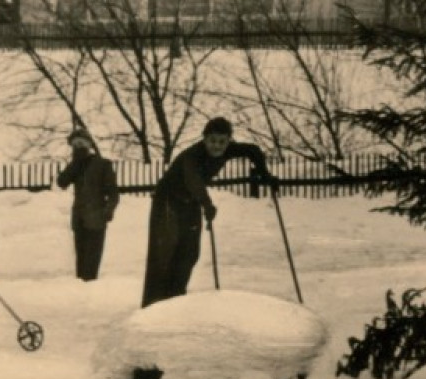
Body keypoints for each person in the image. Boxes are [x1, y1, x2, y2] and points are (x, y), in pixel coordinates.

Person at [141, 117, 275, 308]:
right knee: (165, 252)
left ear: (229, 140)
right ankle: (153, 305)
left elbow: (253, 150)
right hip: (167, 202)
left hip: (191, 202)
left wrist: (264, 174)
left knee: (189, 252)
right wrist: (207, 203)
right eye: (212, 140)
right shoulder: (192, 155)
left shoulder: (228, 149)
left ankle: (176, 300)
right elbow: (193, 180)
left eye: (222, 141)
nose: (217, 146)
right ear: (204, 139)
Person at [56, 128, 120, 281]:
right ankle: (81, 293)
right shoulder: (75, 166)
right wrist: (74, 163)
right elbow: (61, 182)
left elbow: (113, 193)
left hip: (97, 218)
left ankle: (91, 292)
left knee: (92, 265)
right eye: (74, 144)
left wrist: (107, 211)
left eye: (81, 143)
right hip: (79, 219)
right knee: (81, 263)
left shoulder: (103, 164)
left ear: (89, 144)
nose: (78, 147)